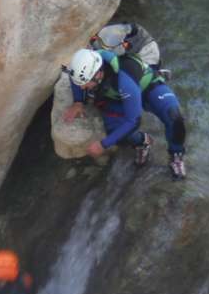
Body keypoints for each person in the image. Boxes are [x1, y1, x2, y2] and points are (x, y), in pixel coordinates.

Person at [62, 48, 189, 179]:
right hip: (115, 98)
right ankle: (142, 142)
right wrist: (78, 102)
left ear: (98, 75)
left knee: (175, 118)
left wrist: (103, 144)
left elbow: (134, 120)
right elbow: (75, 77)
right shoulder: (88, 64)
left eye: (85, 84)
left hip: (147, 87)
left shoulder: (123, 79)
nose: (82, 87)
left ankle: (176, 155)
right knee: (118, 134)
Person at [90, 22, 161, 70]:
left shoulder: (148, 54)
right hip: (142, 44)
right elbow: (124, 29)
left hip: (148, 54)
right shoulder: (134, 30)